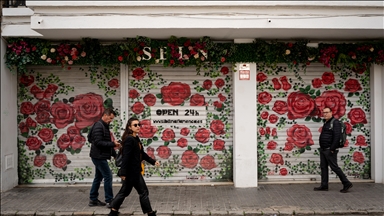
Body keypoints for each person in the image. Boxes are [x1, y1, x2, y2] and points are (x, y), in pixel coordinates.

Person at [108, 117, 160, 216]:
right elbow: (126, 157)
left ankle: (113, 211)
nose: (138, 127)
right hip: (132, 172)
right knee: (143, 192)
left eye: (138, 125)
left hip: (133, 171)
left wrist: (153, 162)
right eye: (135, 125)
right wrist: (123, 172)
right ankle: (150, 213)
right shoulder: (129, 140)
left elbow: (142, 154)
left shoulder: (135, 138)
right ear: (130, 127)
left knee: (124, 192)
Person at [314, 107, 353, 193]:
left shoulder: (335, 122)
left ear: (331, 113)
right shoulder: (326, 122)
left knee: (334, 167)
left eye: (327, 112)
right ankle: (324, 185)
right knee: (323, 167)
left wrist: (332, 148)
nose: (325, 114)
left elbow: (337, 136)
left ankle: (346, 183)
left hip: (329, 149)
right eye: (324, 113)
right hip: (324, 149)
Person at [89, 108, 121, 207]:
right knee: (108, 176)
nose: (111, 120)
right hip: (98, 156)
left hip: (99, 155)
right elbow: (98, 142)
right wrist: (112, 144)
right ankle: (109, 200)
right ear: (105, 115)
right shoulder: (99, 126)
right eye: (110, 118)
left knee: (98, 177)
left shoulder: (104, 126)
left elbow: (95, 139)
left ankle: (93, 199)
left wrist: (115, 155)